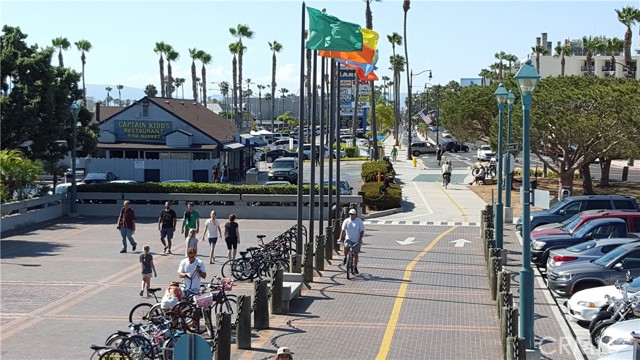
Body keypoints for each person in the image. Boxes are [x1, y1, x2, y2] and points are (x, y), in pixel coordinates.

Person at [340, 208, 365, 275]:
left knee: (356, 253)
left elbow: (362, 231)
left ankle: (355, 266)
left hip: (356, 240)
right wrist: (340, 238)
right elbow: (343, 230)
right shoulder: (346, 221)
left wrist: (360, 239)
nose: (351, 215)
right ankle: (345, 257)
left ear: (355, 215)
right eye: (350, 214)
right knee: (346, 247)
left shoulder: (359, 221)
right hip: (348, 239)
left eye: (353, 214)